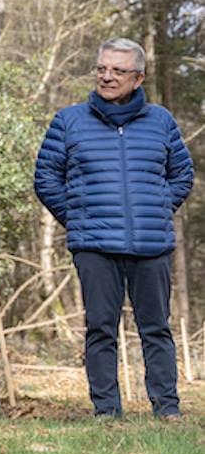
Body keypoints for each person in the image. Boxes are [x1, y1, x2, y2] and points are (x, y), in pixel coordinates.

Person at [34, 38, 193, 420]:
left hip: (151, 243)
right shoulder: (69, 120)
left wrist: (156, 209)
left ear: (138, 78)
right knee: (100, 329)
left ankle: (167, 409)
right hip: (94, 245)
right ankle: (107, 412)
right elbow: (46, 178)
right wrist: (77, 218)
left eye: (118, 71)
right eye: (102, 69)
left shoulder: (161, 121)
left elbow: (182, 174)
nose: (107, 77)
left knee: (156, 328)